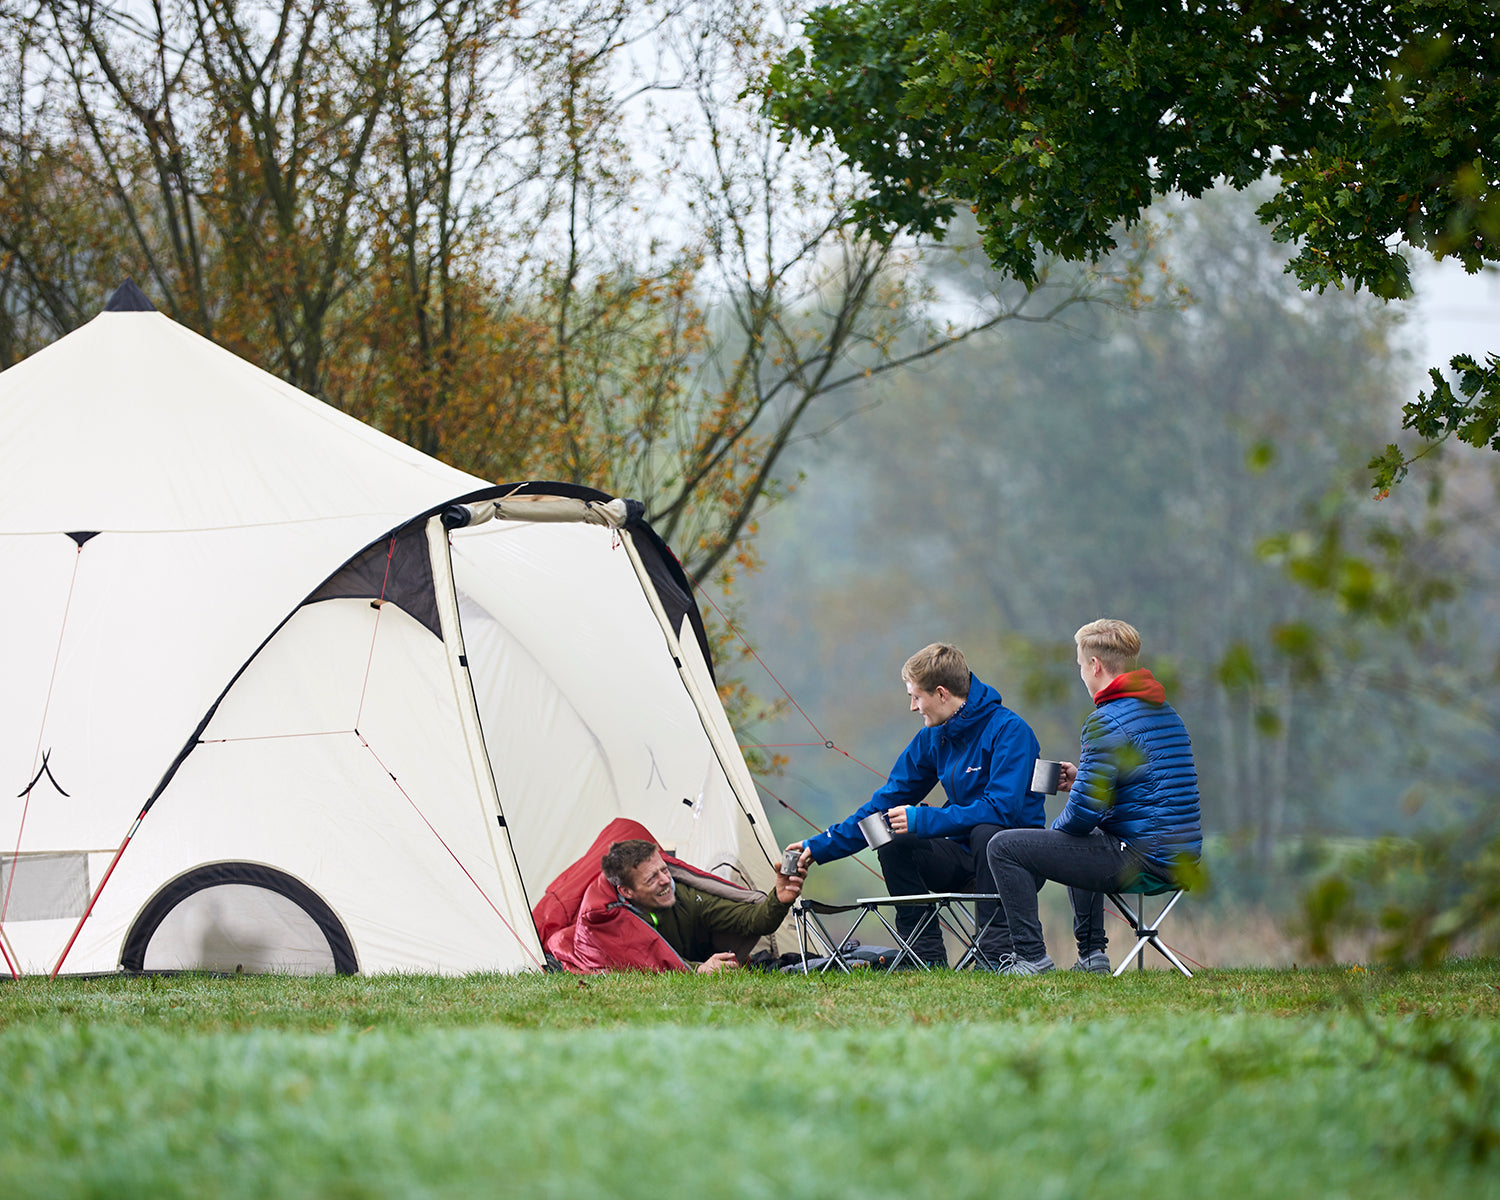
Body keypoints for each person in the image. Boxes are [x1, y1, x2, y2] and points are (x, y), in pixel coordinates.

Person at [791, 643, 1043, 968]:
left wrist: (923, 819)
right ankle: (923, 956)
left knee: (987, 831)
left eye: (915, 696)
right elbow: (883, 805)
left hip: (1012, 861)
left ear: (941, 693)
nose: (912, 707)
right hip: (962, 857)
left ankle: (996, 955)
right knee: (890, 835)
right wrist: (820, 845)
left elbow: (1001, 810)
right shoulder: (932, 737)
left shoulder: (1010, 731)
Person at [985, 618, 1203, 975]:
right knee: (1083, 839)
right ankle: (1091, 957)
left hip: (1142, 860)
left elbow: (1081, 819)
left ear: (1095, 665)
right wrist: (1084, 780)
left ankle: (1031, 958)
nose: (1082, 675)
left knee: (1004, 846)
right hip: (1180, 859)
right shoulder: (1166, 713)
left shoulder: (1105, 720)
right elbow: (1148, 791)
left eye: (1080, 667)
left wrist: (1056, 833)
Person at [601, 839, 804, 973]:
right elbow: (639, 961)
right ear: (626, 892)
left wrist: (779, 899)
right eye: (652, 878)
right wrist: (697, 969)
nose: (665, 880)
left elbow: (753, 920)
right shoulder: (614, 923)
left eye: (664, 870)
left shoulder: (685, 896)